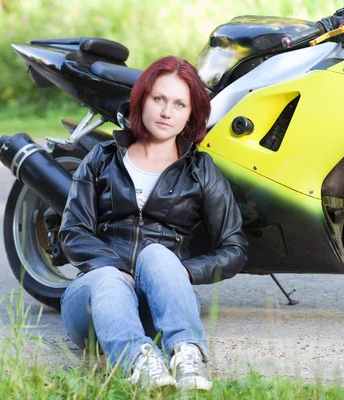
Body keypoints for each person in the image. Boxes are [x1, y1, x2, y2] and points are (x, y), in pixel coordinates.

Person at [58, 56, 248, 390]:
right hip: (96, 304)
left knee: (159, 256)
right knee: (108, 280)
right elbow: (73, 232)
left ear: (191, 114)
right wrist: (116, 271)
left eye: (179, 104)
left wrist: (184, 272)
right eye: (158, 99)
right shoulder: (102, 159)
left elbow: (234, 248)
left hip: (162, 305)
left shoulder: (201, 171)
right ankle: (139, 364)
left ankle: (186, 357)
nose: (166, 112)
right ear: (141, 100)